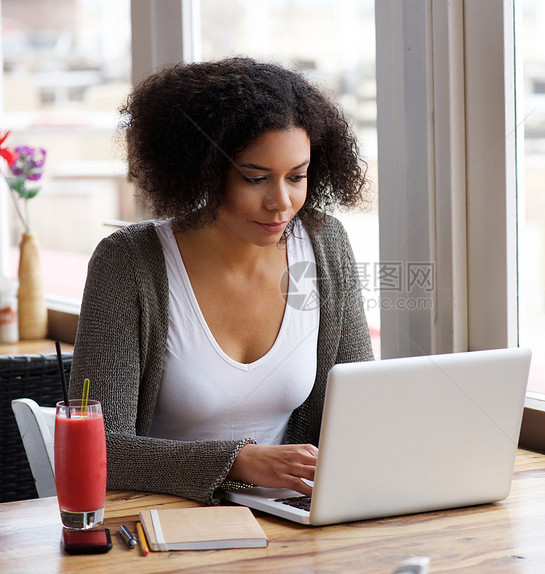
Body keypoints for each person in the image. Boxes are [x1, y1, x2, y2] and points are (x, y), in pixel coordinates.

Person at [68, 57, 373, 505]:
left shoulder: (324, 248)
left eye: (297, 176)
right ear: (205, 171)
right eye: (255, 178)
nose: (281, 202)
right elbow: (96, 447)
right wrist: (237, 461)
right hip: (164, 526)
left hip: (289, 521)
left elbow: (360, 407)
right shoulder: (130, 263)